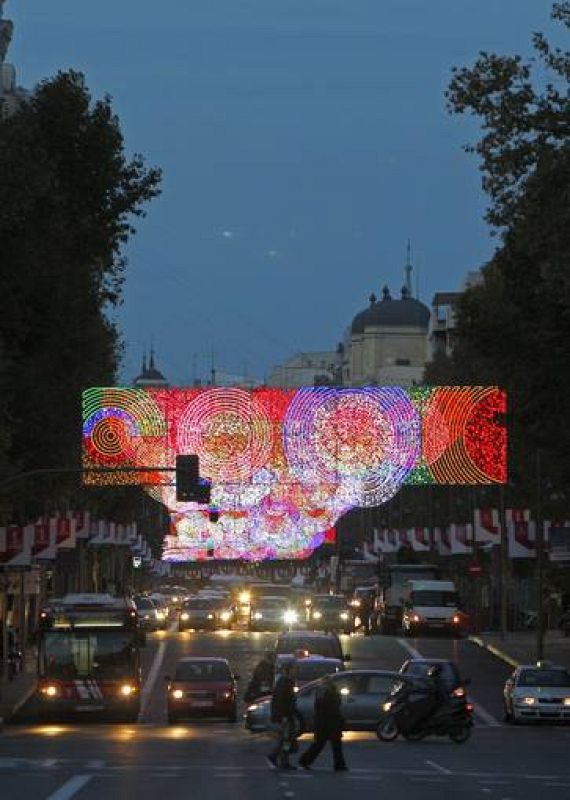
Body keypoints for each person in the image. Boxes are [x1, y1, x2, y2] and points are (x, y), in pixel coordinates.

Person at [299, 675, 348, 772]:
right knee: (333, 744)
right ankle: (339, 765)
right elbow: (333, 707)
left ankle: (305, 761)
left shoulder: (322, 692)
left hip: (324, 722)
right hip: (329, 722)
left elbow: (322, 707)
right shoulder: (330, 692)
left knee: (321, 744)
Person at [266, 661, 297, 770]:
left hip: (287, 715)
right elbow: (280, 701)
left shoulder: (287, 681)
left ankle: (284, 760)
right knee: (286, 739)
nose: (295, 671)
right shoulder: (284, 682)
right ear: (288, 670)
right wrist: (283, 716)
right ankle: (274, 757)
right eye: (293, 669)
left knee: (286, 739)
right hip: (285, 716)